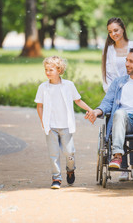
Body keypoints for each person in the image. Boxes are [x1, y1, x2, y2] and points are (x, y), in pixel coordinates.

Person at [102, 17, 133, 181]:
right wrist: (112, 93)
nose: (113, 34)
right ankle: (122, 167)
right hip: (116, 93)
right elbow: (107, 75)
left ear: (123, 29)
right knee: (120, 121)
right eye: (110, 31)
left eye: (116, 30)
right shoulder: (109, 50)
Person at [35, 56, 93, 189]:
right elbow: (39, 106)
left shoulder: (68, 85)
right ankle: (56, 178)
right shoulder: (43, 87)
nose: (48, 72)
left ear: (59, 70)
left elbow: (78, 100)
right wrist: (43, 122)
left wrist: (90, 109)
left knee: (69, 152)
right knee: (53, 154)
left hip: (66, 126)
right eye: (46, 70)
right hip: (51, 127)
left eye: (51, 69)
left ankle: (70, 169)